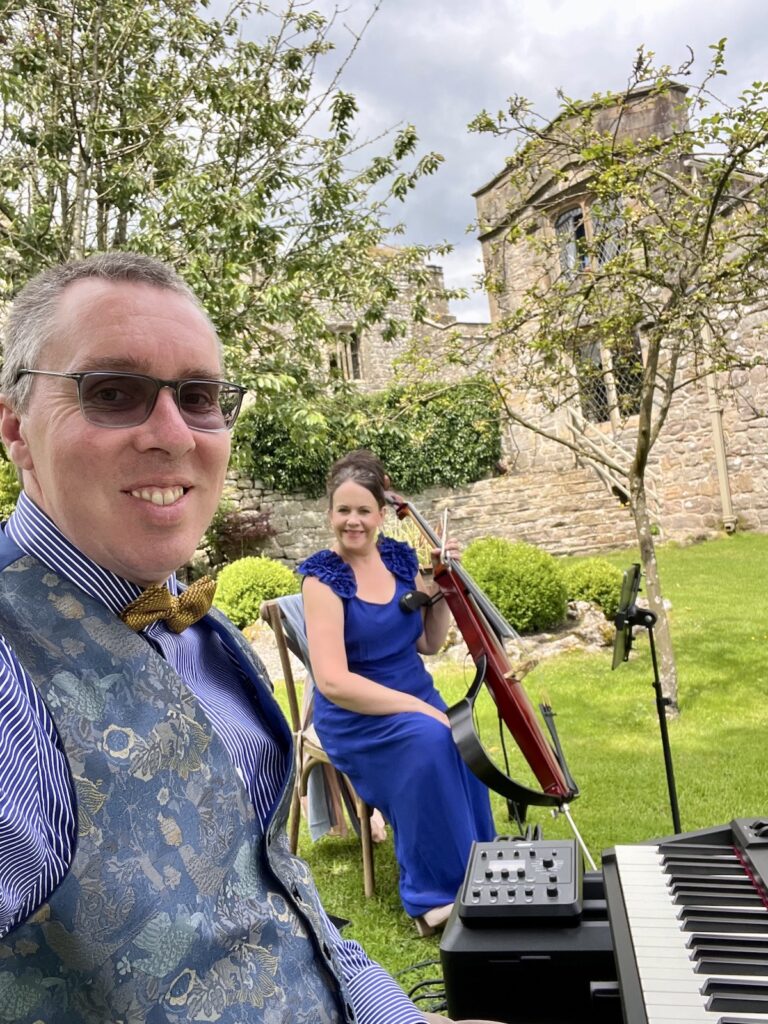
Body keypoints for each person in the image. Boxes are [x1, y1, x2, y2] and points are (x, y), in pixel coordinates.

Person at [0, 252, 502, 1024]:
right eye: (112, 393)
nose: (172, 433)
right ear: (16, 429)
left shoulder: (208, 635)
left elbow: (279, 897)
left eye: (199, 396)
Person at [299, 451, 496, 937]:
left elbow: (428, 642)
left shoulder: (398, 559)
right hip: (355, 714)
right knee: (431, 739)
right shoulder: (322, 579)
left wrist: (444, 591)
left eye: (363, 510)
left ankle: (482, 871)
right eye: (342, 510)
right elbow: (332, 682)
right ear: (329, 514)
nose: (353, 521)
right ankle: (435, 897)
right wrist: (419, 710)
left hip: (413, 695)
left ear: (381, 515)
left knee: (462, 739)